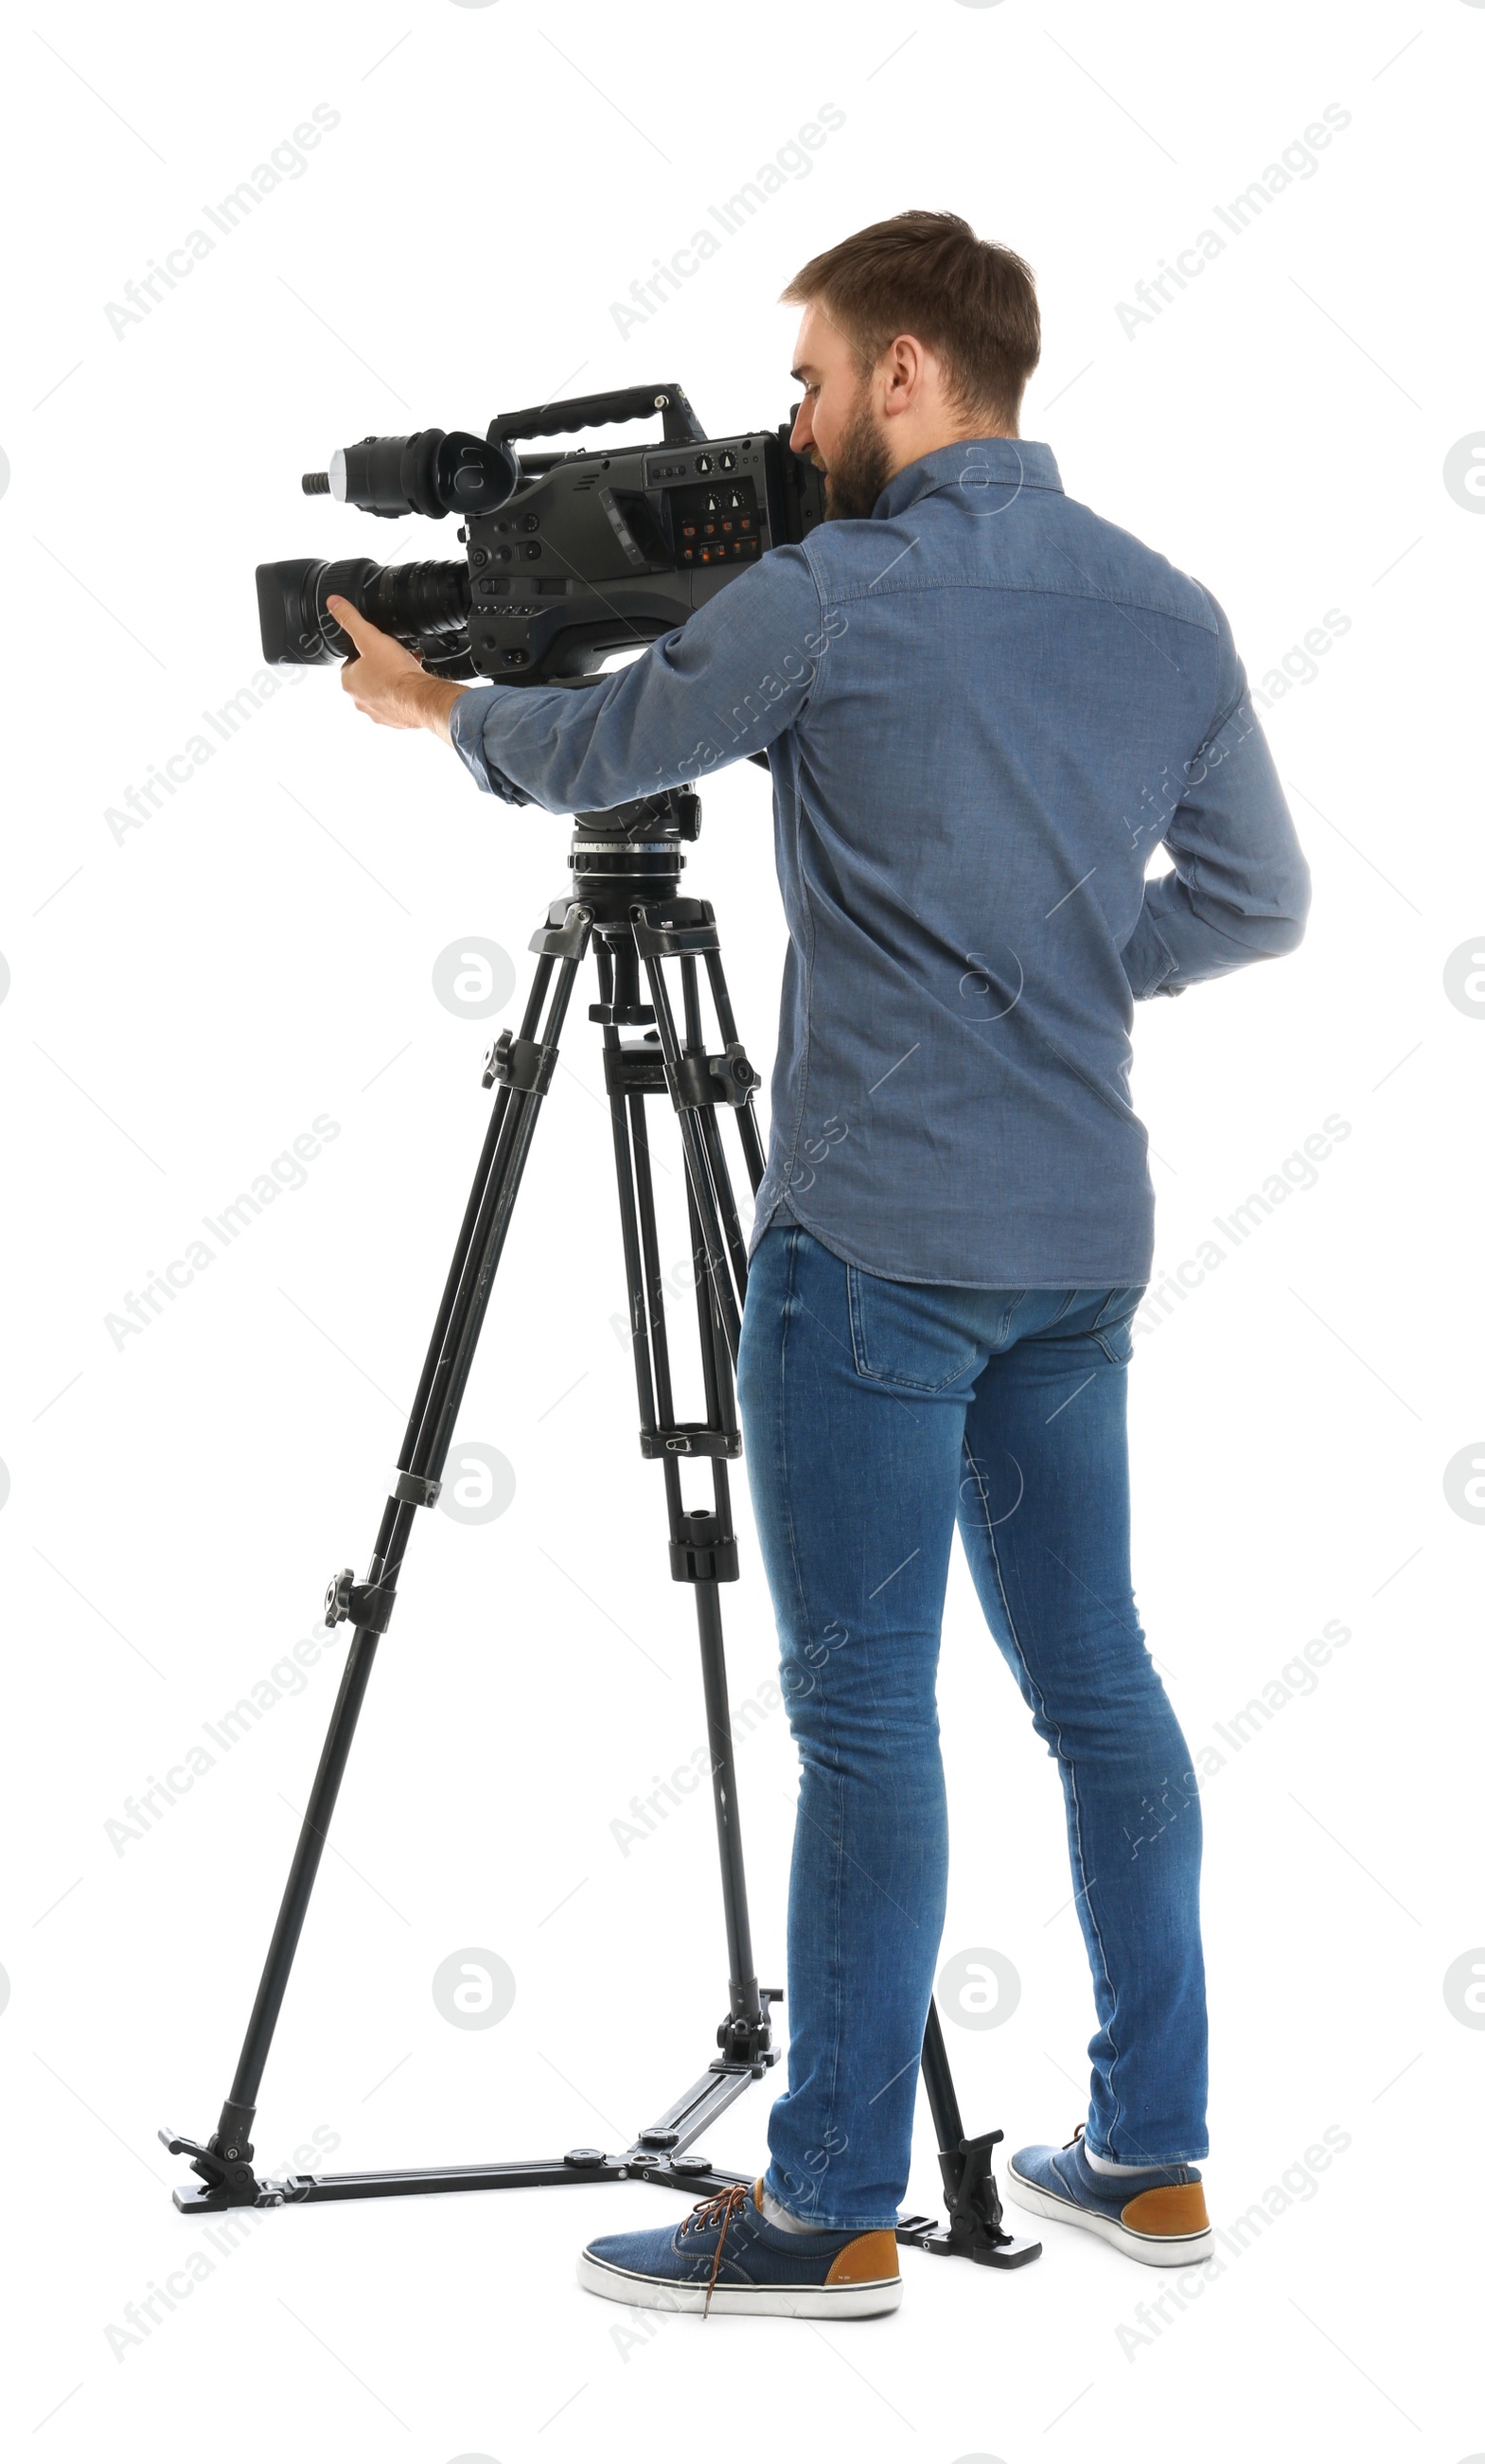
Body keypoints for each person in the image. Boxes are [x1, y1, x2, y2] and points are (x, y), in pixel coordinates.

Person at [327, 210, 1311, 2320]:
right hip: (1079, 1239)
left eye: (800, 378)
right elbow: (1254, 900)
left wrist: (442, 712)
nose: (781, 420)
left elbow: (599, 751)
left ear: (898, 376)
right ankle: (1144, 2155)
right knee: (1098, 1689)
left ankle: (827, 2211)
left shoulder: (826, 597)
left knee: (865, 1720)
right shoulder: (1166, 607)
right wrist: (1051, 983)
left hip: (871, 1246)